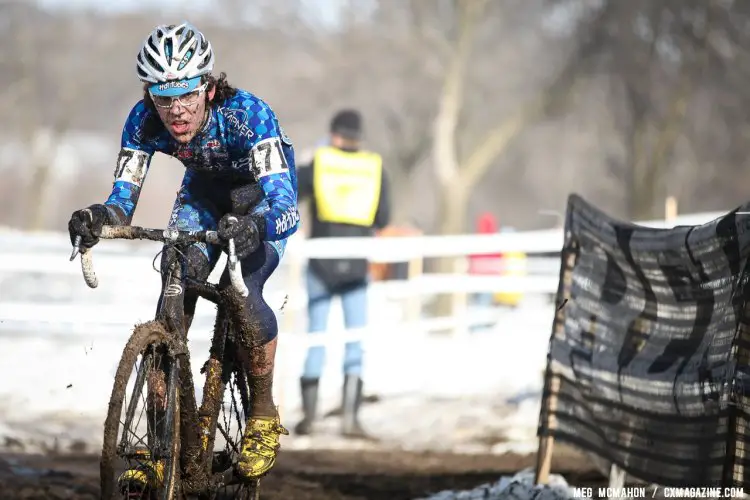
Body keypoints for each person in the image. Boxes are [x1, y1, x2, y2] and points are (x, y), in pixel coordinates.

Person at [66, 22, 299, 488]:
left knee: (244, 293)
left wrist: (255, 226)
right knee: (176, 275)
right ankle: (159, 444)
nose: (175, 110)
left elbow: (286, 206)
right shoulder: (143, 119)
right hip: (202, 196)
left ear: (209, 88)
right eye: (162, 96)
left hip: (259, 201)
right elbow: (122, 198)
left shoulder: (249, 114)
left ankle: (263, 412)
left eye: (186, 95)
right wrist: (96, 216)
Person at [294, 109, 390, 439]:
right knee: (355, 341)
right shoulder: (374, 168)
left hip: (321, 264)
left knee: (316, 339)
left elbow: (292, 191)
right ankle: (350, 420)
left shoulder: (319, 162)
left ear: (334, 133)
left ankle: (308, 419)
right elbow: (383, 217)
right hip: (357, 263)